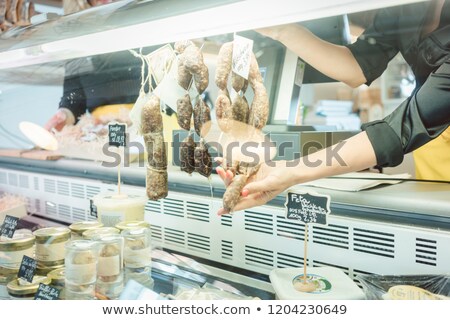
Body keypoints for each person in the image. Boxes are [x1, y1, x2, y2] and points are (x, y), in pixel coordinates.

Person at [217, 0, 449, 215]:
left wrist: (291, 171)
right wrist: (280, 29)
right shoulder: (404, 6)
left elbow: (403, 126)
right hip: (431, 149)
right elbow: (357, 66)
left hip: (424, 128)